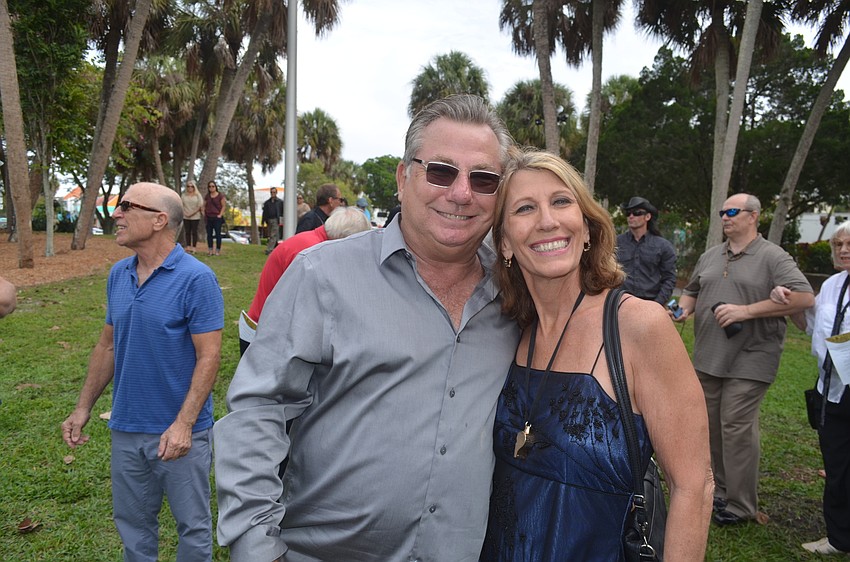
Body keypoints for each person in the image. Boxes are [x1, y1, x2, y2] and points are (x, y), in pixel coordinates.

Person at [214, 94, 520, 562]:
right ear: (403, 178)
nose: (461, 193)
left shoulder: (519, 297)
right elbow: (259, 410)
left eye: (483, 179)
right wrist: (257, 547)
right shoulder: (321, 275)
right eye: (440, 171)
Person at [479, 149, 712, 561]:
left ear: (587, 229)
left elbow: (694, 484)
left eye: (562, 201)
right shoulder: (511, 332)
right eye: (525, 208)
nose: (547, 220)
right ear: (504, 242)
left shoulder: (638, 326)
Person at [61, 182, 224, 562]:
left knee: (192, 527)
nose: (116, 214)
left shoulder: (197, 279)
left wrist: (184, 424)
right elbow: (107, 345)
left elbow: (209, 357)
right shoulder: (119, 274)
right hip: (126, 425)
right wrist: (83, 407)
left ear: (159, 220)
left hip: (179, 432)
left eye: (126, 207)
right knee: (133, 526)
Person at [673, 193, 813, 526]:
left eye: (732, 211)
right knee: (711, 427)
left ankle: (740, 504)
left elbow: (804, 297)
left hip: (752, 356)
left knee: (735, 426)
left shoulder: (773, 256)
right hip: (709, 356)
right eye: (722, 211)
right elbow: (692, 289)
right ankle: (720, 492)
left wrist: (746, 311)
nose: (725, 216)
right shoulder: (711, 256)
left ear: (753, 216)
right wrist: (682, 309)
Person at [772, 221, 850, 555]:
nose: (843, 250)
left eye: (849, 244)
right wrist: (786, 302)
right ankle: (839, 538)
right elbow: (811, 326)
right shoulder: (833, 285)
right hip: (832, 389)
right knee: (837, 467)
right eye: (838, 244)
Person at [238, 206, 371, 354]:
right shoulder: (313, 252)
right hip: (265, 336)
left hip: (269, 329)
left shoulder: (312, 241)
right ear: (344, 239)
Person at [616, 196, 677, 305]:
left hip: (650, 304)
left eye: (636, 213)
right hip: (619, 305)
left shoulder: (663, 246)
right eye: (628, 213)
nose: (631, 216)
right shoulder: (616, 243)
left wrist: (657, 304)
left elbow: (669, 279)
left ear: (647, 216)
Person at [204, 180, 226, 256]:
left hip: (217, 217)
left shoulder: (220, 195)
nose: (211, 188)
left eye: (213, 186)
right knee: (209, 234)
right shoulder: (207, 196)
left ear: (215, 187)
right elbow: (204, 205)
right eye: (209, 186)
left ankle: (217, 250)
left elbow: (223, 206)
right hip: (208, 217)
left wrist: (220, 214)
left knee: (218, 234)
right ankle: (210, 250)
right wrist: (204, 213)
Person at [181, 181, 204, 254]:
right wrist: (185, 213)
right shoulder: (184, 195)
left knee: (194, 232)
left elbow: (199, 206)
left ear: (194, 187)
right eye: (188, 186)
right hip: (185, 215)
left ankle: (194, 247)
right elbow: (181, 204)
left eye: (192, 186)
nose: (190, 188)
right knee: (187, 232)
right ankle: (188, 246)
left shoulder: (198, 195)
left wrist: (191, 213)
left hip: (195, 216)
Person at [262, 187, 284, 255]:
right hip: (269, 220)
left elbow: (282, 212)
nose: (273, 194)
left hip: (276, 220)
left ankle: (269, 249)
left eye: (274, 192)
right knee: (272, 236)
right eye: (272, 192)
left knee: (273, 235)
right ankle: (275, 249)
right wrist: (263, 221)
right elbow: (264, 212)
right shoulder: (267, 203)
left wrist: (281, 221)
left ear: (276, 193)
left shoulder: (280, 202)